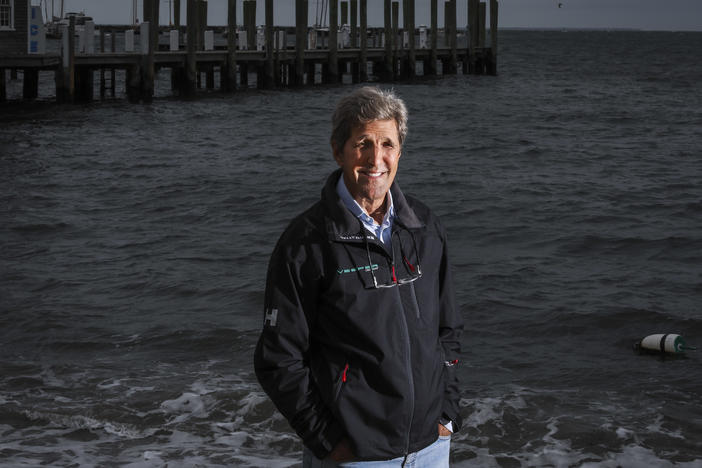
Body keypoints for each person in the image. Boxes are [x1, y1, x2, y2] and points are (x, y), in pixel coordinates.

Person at [254, 86, 464, 467]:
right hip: (355, 456)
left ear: (400, 151)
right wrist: (329, 442)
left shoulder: (425, 228)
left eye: (387, 144)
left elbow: (448, 330)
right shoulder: (306, 243)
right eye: (362, 143)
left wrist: (446, 414)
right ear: (338, 149)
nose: (376, 158)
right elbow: (278, 359)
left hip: (431, 448)